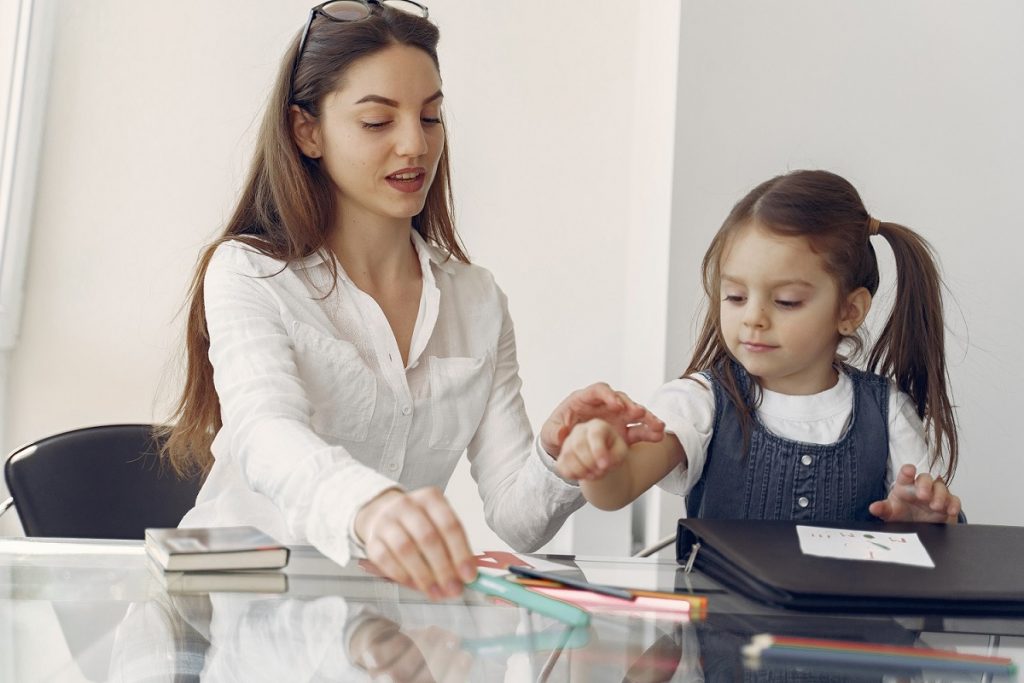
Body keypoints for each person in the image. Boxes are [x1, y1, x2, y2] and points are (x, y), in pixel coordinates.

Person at [161, 0, 663, 601]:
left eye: (430, 118)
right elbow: (266, 434)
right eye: (378, 122)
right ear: (307, 130)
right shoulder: (252, 272)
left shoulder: (476, 299)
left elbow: (517, 518)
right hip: (239, 610)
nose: (414, 146)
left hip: (385, 628)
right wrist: (371, 505)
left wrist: (561, 455)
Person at [556, 169, 962, 523]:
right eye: (734, 296)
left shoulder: (888, 413)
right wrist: (600, 464)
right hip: (719, 614)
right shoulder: (699, 402)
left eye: (786, 301)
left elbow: (929, 536)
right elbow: (621, 487)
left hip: (849, 615)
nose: (753, 317)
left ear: (850, 310)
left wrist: (924, 522)